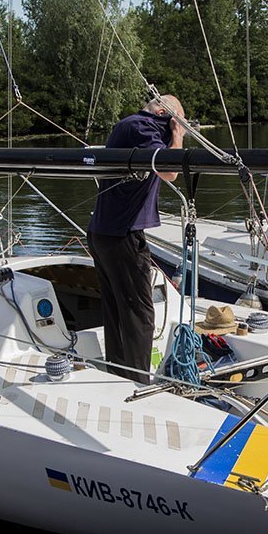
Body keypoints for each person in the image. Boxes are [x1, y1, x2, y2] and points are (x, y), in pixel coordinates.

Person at [88, 95, 186, 383]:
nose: (172, 131)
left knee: (118, 311)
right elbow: (170, 170)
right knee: (140, 313)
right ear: (161, 113)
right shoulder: (143, 128)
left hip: (105, 232)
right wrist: (177, 135)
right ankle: (138, 383)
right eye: (173, 122)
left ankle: (120, 377)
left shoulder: (129, 127)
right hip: (122, 235)